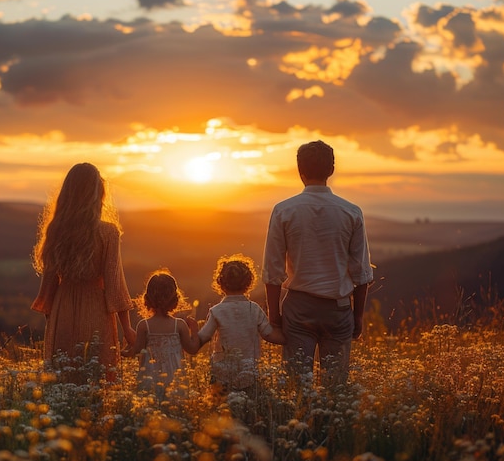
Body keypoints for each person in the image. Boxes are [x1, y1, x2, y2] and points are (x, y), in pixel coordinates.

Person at [262, 140, 373, 386]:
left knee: (296, 387)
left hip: (299, 308)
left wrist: (274, 316)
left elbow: (272, 271)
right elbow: (361, 273)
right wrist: (358, 317)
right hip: (339, 309)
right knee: (335, 388)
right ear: (331, 171)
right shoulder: (352, 212)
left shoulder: (283, 211)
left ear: (299, 170)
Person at [31, 162, 136, 378]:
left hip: (62, 310)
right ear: (98, 193)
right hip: (95, 311)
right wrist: (127, 329)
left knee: (62, 380)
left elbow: (48, 289)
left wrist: (54, 324)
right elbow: (114, 287)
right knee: (96, 380)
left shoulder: (56, 230)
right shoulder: (108, 233)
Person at [187, 254, 285, 393]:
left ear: (220, 283)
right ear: (249, 282)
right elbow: (270, 336)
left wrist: (192, 329)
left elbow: (202, 339)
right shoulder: (254, 309)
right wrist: (292, 332)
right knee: (249, 407)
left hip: (222, 373)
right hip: (249, 373)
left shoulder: (217, 311)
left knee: (222, 409)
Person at [122, 271, 200, 396]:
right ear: (175, 298)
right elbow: (192, 349)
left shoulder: (144, 325)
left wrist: (124, 352)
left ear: (147, 299)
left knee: (152, 409)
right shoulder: (179, 325)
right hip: (175, 379)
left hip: (150, 377)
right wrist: (195, 330)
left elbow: (137, 350)